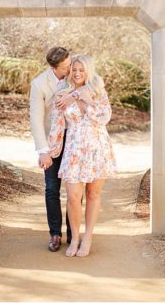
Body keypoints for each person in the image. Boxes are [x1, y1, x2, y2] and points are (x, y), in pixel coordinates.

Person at [46, 54, 117, 257]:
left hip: (96, 147)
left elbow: (103, 118)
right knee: (73, 196)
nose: (77, 73)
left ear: (88, 71)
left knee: (93, 194)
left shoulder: (98, 92)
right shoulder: (62, 93)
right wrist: (49, 152)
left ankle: (87, 237)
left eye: (81, 70)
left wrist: (82, 99)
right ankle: (75, 237)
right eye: (74, 70)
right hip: (74, 149)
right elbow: (57, 126)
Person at [29, 46, 75, 252]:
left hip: (75, 140)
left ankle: (74, 234)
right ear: (54, 67)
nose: (70, 68)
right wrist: (43, 151)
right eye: (66, 66)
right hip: (51, 141)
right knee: (51, 189)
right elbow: (36, 119)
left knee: (75, 190)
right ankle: (55, 233)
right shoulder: (39, 84)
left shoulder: (75, 76)